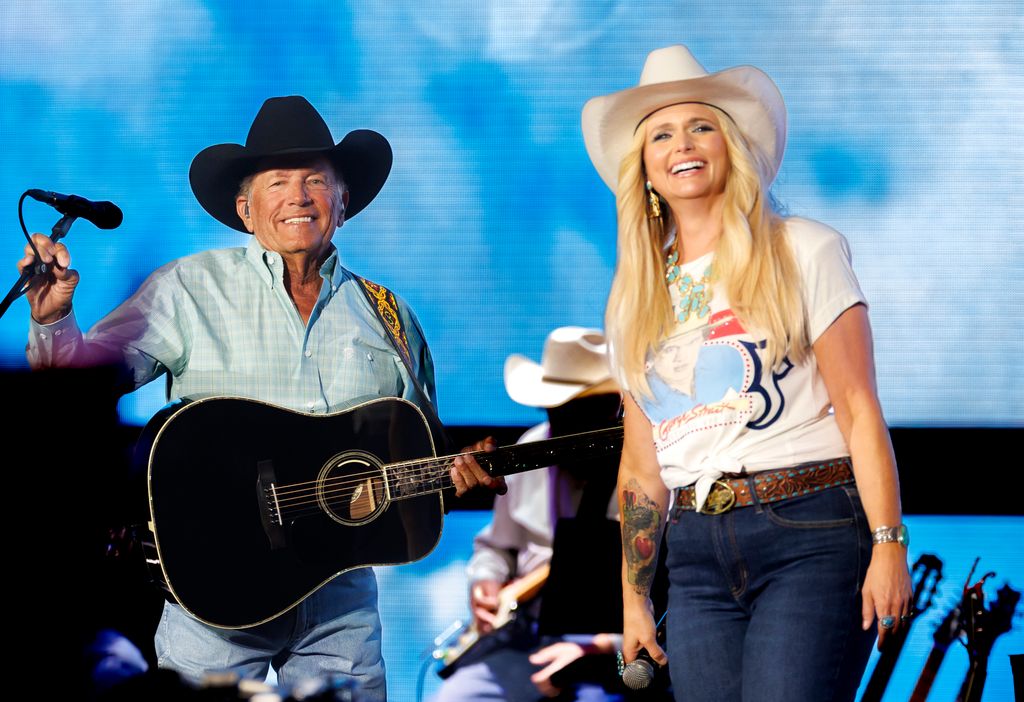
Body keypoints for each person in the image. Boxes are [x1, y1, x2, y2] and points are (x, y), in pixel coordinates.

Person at [18, 95, 501, 698]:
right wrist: (53, 318)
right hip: (213, 592)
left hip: (340, 603)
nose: (299, 196)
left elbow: (418, 450)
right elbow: (77, 396)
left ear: (343, 202)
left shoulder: (391, 318)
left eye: (316, 181)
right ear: (246, 209)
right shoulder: (187, 287)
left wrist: (452, 479)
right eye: (278, 182)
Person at [580, 46, 913, 701]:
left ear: (730, 144)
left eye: (701, 126)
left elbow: (857, 405)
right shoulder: (633, 297)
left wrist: (888, 543)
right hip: (696, 550)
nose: (684, 144)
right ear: (643, 169)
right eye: (662, 134)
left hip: (808, 529)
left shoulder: (805, 249)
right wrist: (632, 601)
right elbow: (642, 471)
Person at [435, 327, 630, 701]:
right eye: (558, 411)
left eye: (581, 411)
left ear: (613, 407)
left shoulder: (643, 468)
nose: (566, 425)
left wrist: (599, 649)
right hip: (526, 634)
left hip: (611, 644)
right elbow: (497, 548)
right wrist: (485, 583)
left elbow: (667, 599)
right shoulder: (533, 447)